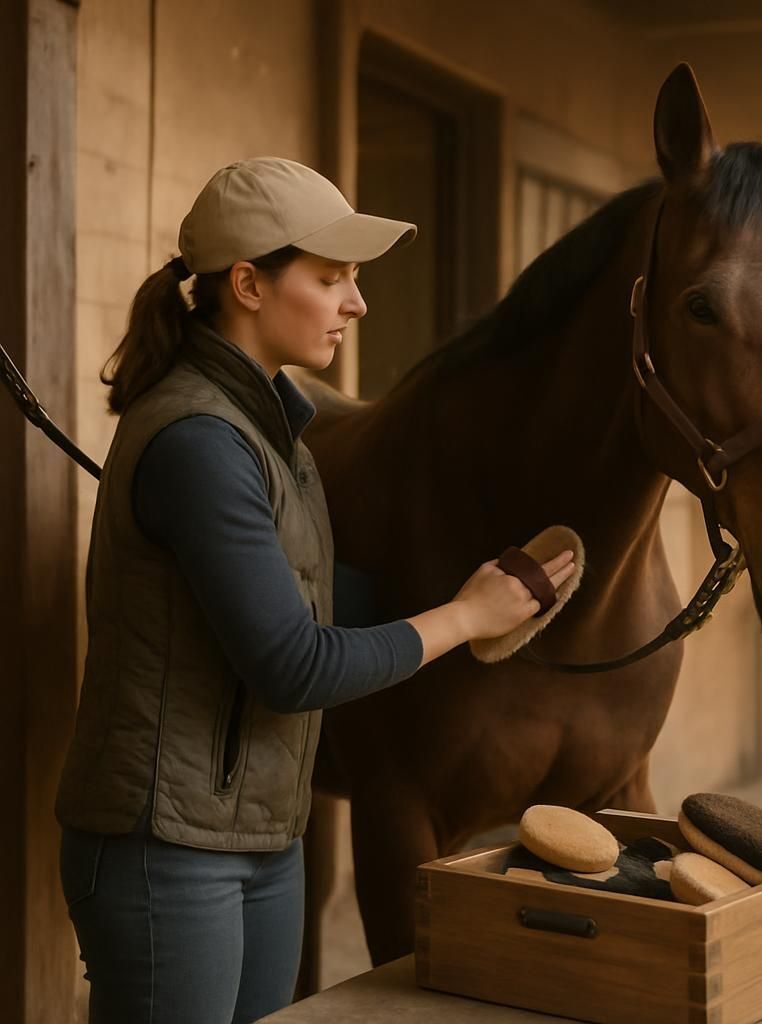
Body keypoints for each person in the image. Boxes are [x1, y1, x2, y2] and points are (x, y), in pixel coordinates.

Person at [54, 156, 575, 1024]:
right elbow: (292, 664)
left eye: (356, 280)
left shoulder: (279, 432)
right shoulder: (199, 442)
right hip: (167, 848)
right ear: (249, 284)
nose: (356, 302)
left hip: (261, 834)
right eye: (331, 278)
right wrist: (460, 617)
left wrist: (490, 600)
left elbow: (325, 605)